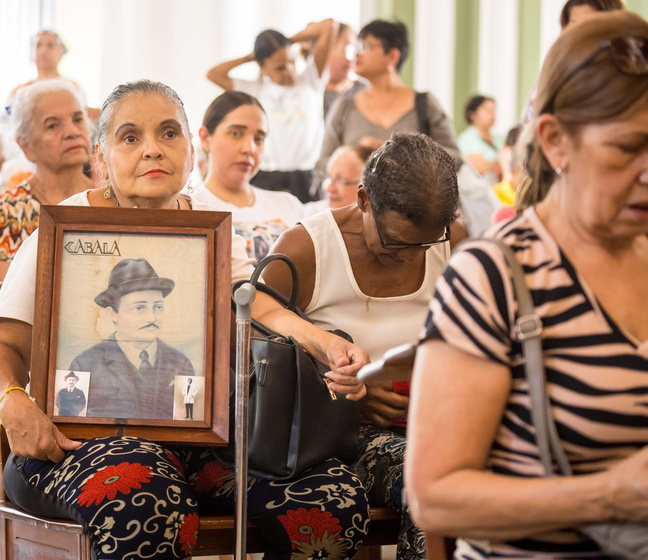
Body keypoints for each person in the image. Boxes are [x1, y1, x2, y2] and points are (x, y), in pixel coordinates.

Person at [0, 79, 372, 560]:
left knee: (331, 497)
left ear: (191, 149)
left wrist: (324, 344)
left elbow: (259, 308)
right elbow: (0, 343)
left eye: (169, 133)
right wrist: (12, 402)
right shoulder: (64, 228)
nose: (152, 150)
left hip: (202, 443)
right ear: (100, 157)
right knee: (145, 498)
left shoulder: (213, 225)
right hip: (73, 444)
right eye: (130, 137)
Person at [406, 12, 648, 559]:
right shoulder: (496, 277)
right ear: (556, 141)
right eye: (628, 148)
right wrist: (612, 495)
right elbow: (435, 498)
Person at [263, 132, 464, 560]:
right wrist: (342, 394)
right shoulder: (307, 248)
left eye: (425, 243)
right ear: (364, 199)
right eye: (395, 241)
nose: (412, 257)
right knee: (432, 474)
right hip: (340, 436)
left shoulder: (453, 241)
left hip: (434, 424)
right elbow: (253, 348)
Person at [0, 78, 93, 281]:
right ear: (26, 145)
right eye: (53, 125)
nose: (72, 132)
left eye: (78, 119)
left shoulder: (114, 202)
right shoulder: (7, 212)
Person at [206, 20, 337, 203]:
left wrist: (286, 41)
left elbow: (330, 25)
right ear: (262, 68)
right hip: (266, 177)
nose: (289, 71)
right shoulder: (254, 89)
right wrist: (249, 57)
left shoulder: (311, 81)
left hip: (306, 177)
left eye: (292, 62)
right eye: (280, 67)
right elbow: (213, 74)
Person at [316, 20, 461, 174]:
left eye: (366, 47)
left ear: (392, 56)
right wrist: (354, 155)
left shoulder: (425, 104)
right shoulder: (345, 106)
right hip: (359, 197)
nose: (357, 54)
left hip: (413, 198)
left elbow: (455, 158)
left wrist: (397, 152)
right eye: (356, 47)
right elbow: (323, 163)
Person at [68, 258, 196, 420]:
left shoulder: (180, 363)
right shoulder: (84, 365)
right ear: (112, 313)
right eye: (139, 308)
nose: (152, 318)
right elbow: (72, 424)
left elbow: (190, 423)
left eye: (158, 307)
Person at [192, 91, 305, 262]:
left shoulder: (288, 205)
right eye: (236, 133)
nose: (250, 148)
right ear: (206, 138)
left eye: (259, 139)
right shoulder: (192, 210)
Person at [519, 0, 625, 125]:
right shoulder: (555, 72)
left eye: (590, 25)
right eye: (574, 25)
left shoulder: (627, 72)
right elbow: (528, 125)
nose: (581, 32)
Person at [304, 143, 374, 216]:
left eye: (341, 180)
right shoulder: (307, 215)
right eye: (328, 176)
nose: (329, 188)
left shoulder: (380, 224)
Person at [457, 94, 503, 183]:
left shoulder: (499, 138)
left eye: (493, 110)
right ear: (473, 115)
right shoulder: (467, 139)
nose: (492, 114)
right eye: (487, 110)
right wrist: (502, 164)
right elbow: (480, 168)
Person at [324, 23, 365, 117]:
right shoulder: (311, 93)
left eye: (355, 50)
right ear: (328, 49)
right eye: (348, 50)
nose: (353, 58)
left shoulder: (364, 91)